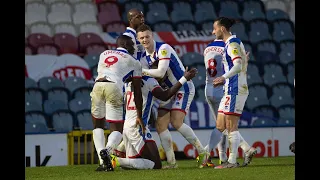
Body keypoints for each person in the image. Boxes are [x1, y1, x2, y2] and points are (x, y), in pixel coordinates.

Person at [136, 24, 208, 168]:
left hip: (183, 87)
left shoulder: (163, 48)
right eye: (141, 38)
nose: (145, 40)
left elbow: (161, 72)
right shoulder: (144, 56)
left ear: (152, 36)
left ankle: (203, 153)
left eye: (147, 36)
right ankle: (172, 162)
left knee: (176, 122)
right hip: (168, 91)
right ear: (138, 39)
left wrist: (140, 71)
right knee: (160, 125)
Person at [100, 67, 199, 171]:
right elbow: (165, 96)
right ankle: (114, 160)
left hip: (127, 126)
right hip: (137, 127)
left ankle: (113, 160)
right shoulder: (149, 81)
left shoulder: (129, 81)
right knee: (156, 164)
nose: (164, 76)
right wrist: (184, 78)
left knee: (133, 164)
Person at [91, 35, 144, 171]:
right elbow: (137, 92)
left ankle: (103, 162)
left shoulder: (104, 54)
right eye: (132, 45)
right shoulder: (134, 62)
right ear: (126, 45)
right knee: (117, 128)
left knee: (98, 124)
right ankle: (108, 151)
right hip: (113, 87)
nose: (134, 48)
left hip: (97, 85)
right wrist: (139, 113)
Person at [200, 39, 256, 167]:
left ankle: (221, 156)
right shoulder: (227, 46)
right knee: (223, 126)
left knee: (221, 125)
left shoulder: (207, 47)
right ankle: (242, 150)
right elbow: (233, 67)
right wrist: (244, 61)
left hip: (209, 87)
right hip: (223, 86)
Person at [111, 8, 146, 158]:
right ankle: (124, 152)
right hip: (133, 84)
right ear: (131, 19)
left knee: (142, 116)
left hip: (140, 79)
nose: (142, 18)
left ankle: (118, 150)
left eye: (142, 16)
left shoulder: (137, 36)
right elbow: (126, 62)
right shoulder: (127, 38)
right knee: (136, 118)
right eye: (139, 17)